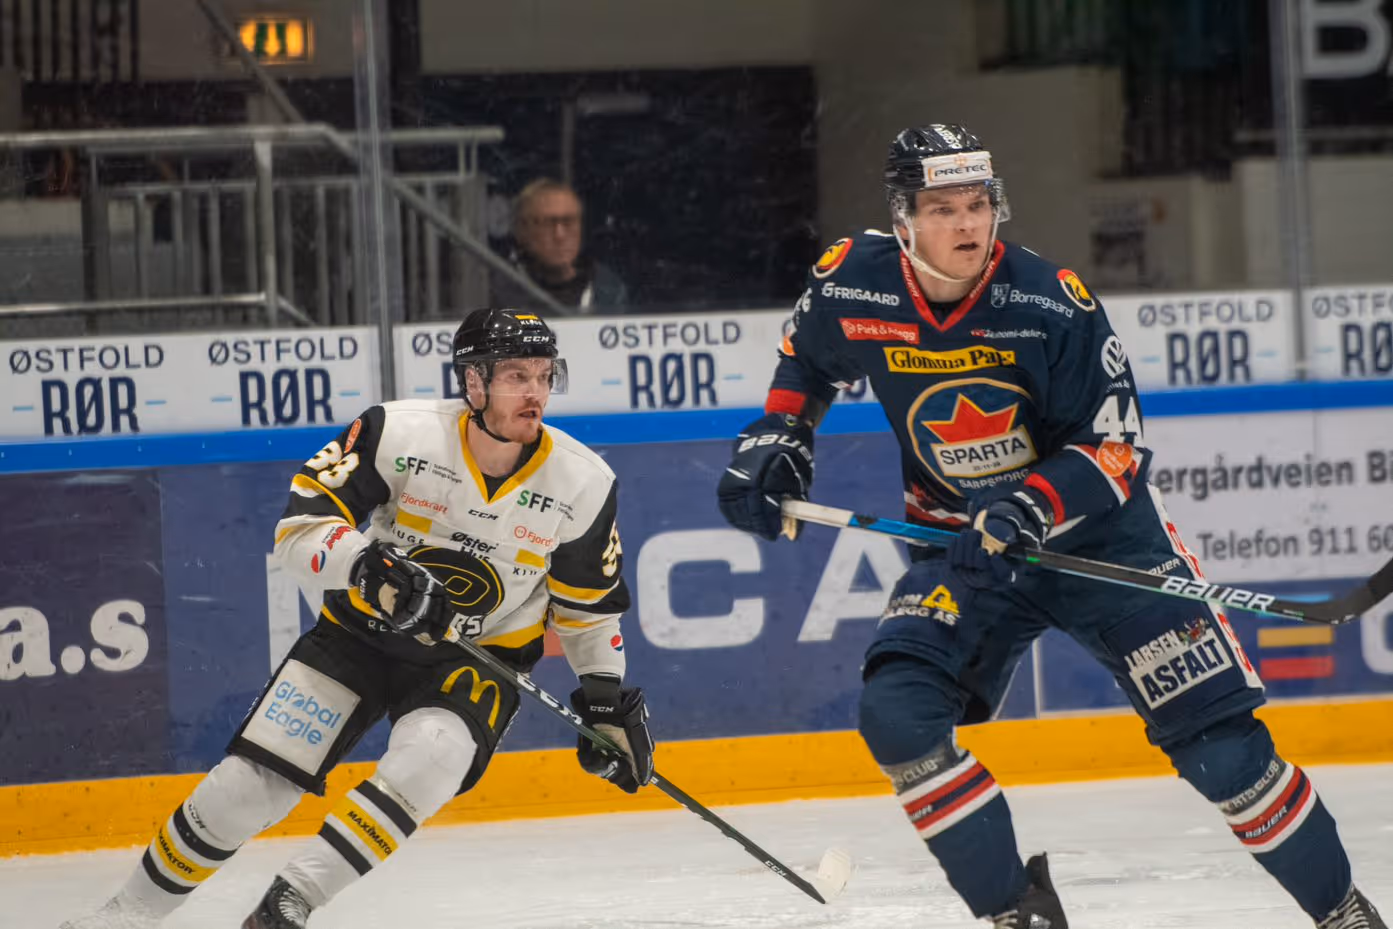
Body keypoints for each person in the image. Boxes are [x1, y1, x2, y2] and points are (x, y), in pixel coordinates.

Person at [716, 124, 1384, 929]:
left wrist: (1028, 504)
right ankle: (1016, 912)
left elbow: (1115, 448)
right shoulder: (852, 283)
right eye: (942, 209)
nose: (967, 224)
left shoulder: (1048, 301)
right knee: (897, 714)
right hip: (965, 547)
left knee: (1222, 753)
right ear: (901, 218)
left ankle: (1343, 915)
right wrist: (781, 432)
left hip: (1104, 544)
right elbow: (806, 359)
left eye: (977, 204)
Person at [61, 308, 653, 929]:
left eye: (544, 375)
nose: (535, 393)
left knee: (433, 759)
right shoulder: (395, 432)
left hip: (479, 658)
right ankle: (124, 916)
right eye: (515, 376)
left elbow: (589, 608)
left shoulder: (583, 481)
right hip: (358, 635)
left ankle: (287, 904)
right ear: (473, 382)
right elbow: (298, 532)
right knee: (248, 787)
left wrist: (604, 701)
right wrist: (369, 568)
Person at [491, 178, 629, 314]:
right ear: (522, 231)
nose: (560, 235)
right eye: (547, 223)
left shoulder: (608, 289)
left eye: (569, 222)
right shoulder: (496, 290)